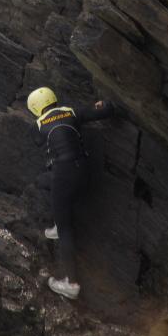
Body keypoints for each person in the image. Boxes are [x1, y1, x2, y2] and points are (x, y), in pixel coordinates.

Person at [26, 86, 114, 301]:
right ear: (54, 99)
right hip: (83, 172)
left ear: (35, 108)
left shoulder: (38, 125)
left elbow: (38, 142)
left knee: (65, 229)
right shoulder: (71, 112)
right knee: (42, 181)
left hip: (63, 175)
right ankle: (59, 218)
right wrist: (106, 105)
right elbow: (105, 110)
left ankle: (71, 283)